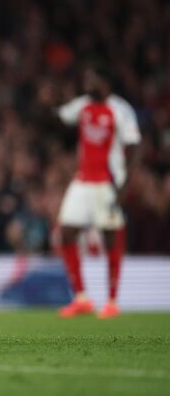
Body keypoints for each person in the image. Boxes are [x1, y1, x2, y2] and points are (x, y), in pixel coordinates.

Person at [56, 65, 140, 318]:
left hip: (108, 182)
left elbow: (134, 146)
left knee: (110, 236)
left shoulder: (120, 109)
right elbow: (59, 116)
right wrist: (49, 100)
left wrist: (125, 184)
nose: (88, 84)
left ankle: (112, 301)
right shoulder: (82, 104)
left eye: (93, 80)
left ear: (105, 83)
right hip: (82, 180)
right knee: (67, 232)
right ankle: (81, 297)